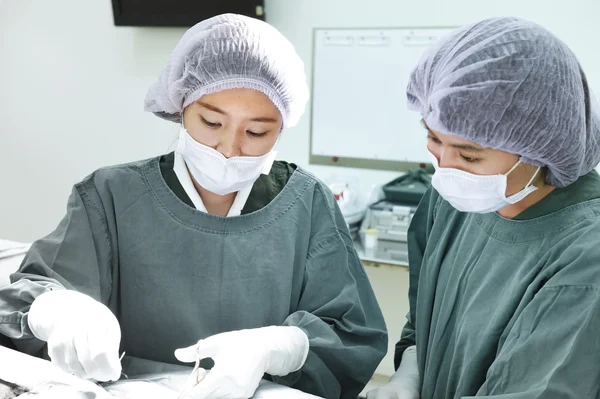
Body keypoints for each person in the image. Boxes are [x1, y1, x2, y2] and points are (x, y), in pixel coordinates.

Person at [0, 14, 388, 399]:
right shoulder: (110, 195)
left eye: (256, 131)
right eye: (211, 122)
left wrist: (282, 346)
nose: (230, 148)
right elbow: (26, 299)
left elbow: (352, 334)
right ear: (180, 107)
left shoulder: (307, 203)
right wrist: (55, 312)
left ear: (282, 127)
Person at [368, 16, 600, 399]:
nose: (445, 166)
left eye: (470, 155)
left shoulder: (585, 256)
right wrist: (412, 368)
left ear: (540, 148)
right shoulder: (450, 199)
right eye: (433, 138)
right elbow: (425, 315)